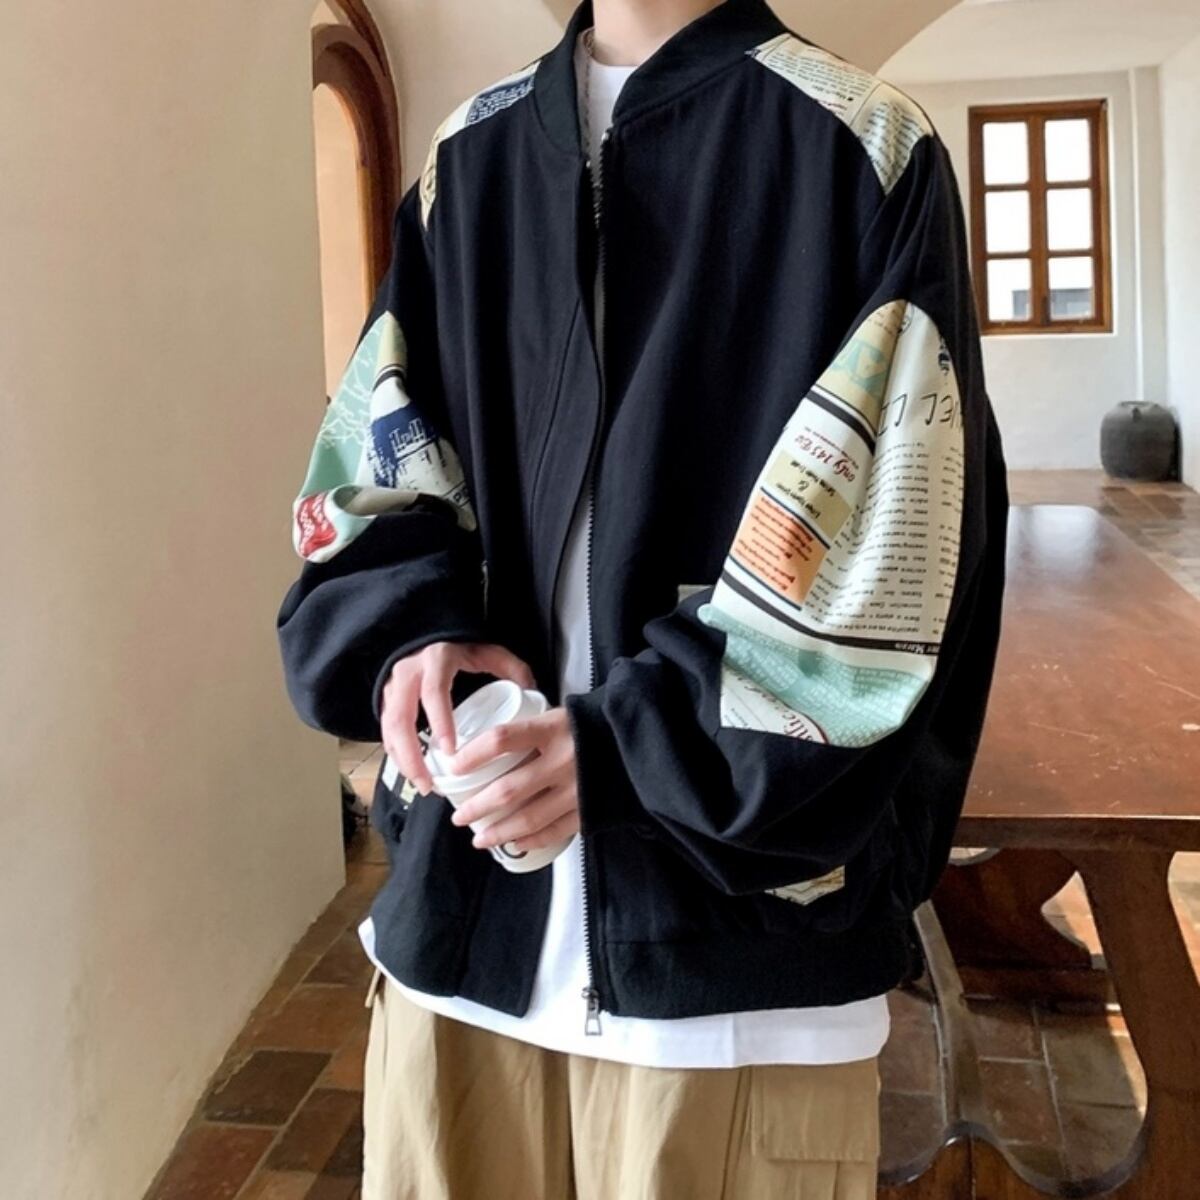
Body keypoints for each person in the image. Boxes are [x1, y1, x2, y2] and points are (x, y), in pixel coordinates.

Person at [276, 0, 1009, 1195]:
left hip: (737, 979)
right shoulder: (468, 158)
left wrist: (623, 754)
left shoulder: (864, 145)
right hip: (465, 935)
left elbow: (893, 548)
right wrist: (414, 624)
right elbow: (379, 446)